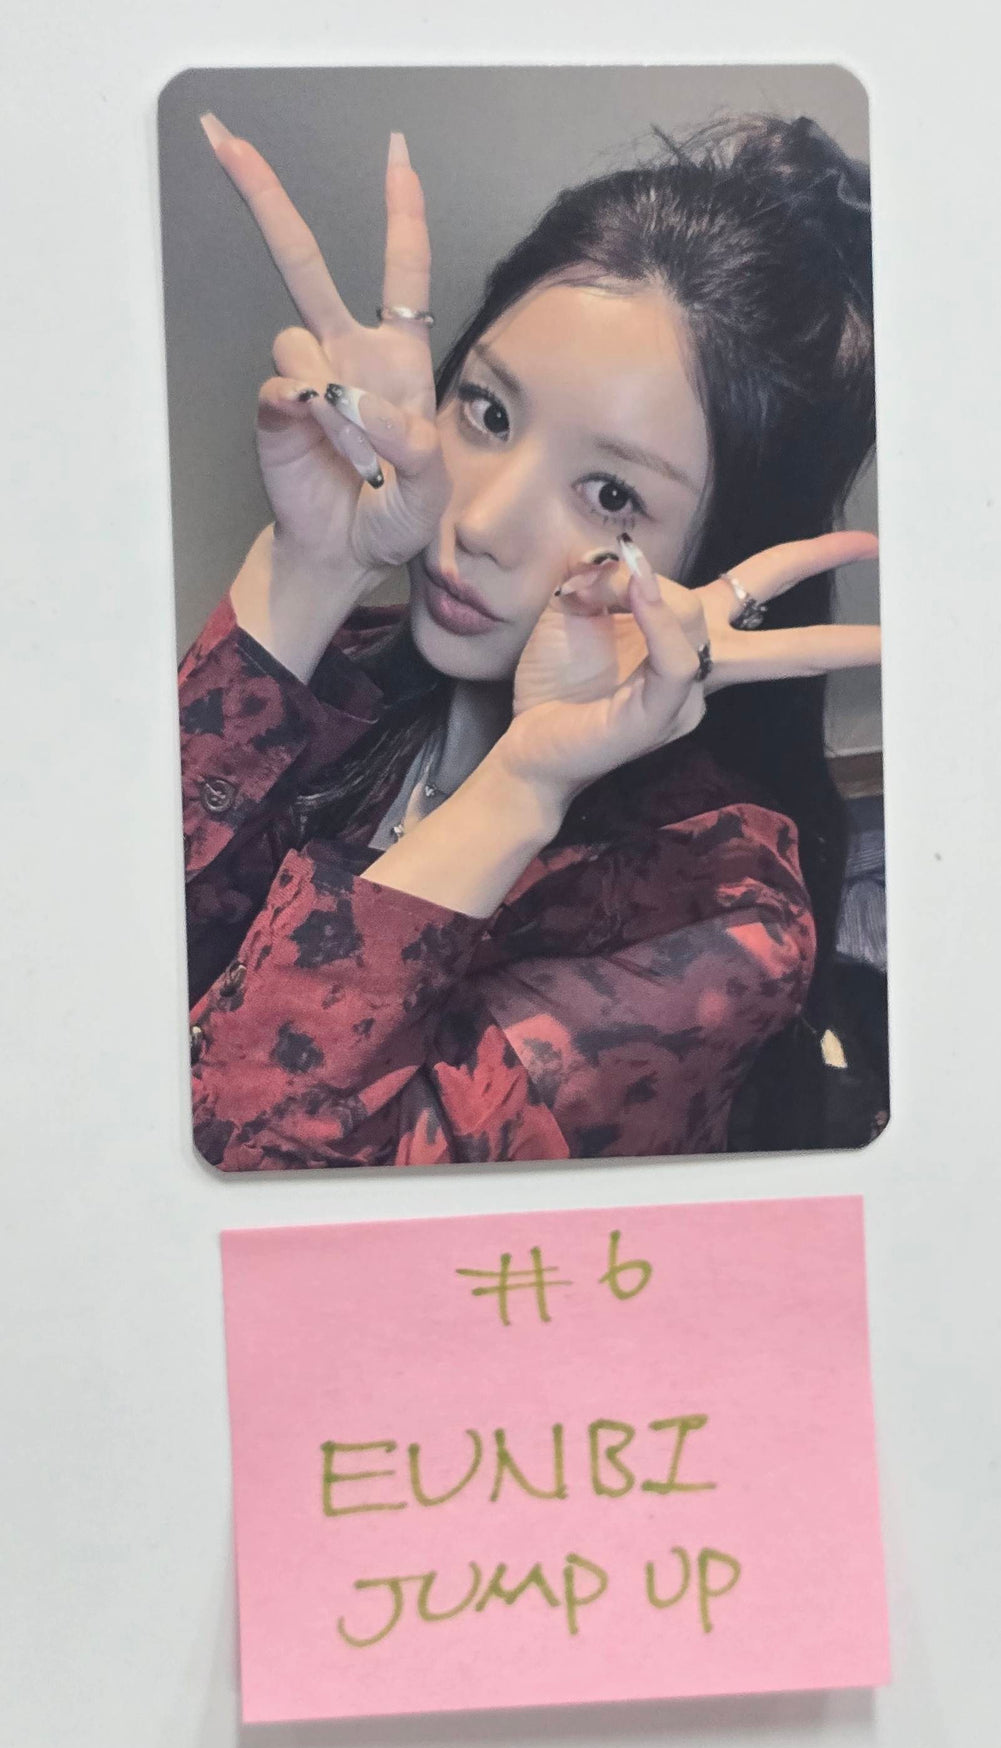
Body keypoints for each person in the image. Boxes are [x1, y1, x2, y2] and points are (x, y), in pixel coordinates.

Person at [180, 108, 881, 1171]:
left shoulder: (719, 915)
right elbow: (74, 976)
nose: (478, 522)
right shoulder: (345, 667)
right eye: (489, 413)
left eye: (611, 494)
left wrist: (522, 786)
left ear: (719, 557)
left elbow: (250, 1186)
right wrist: (306, 573)